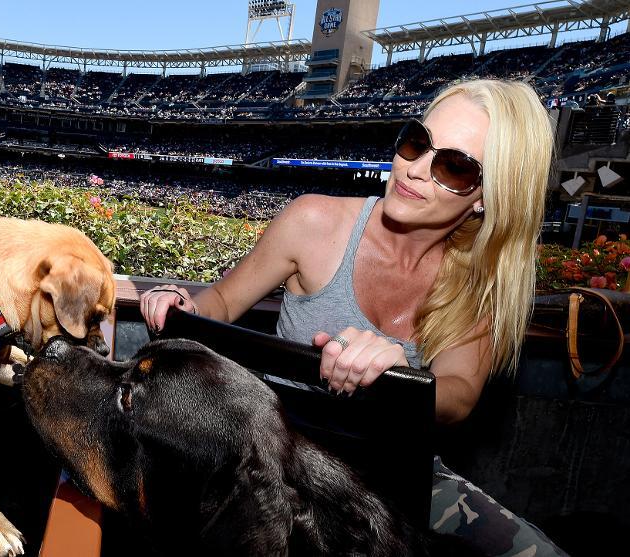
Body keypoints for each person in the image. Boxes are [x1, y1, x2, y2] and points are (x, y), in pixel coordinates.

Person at [141, 79, 568, 557]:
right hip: (277, 461)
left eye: (454, 165)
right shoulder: (313, 222)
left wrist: (398, 379)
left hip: (398, 476)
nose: (414, 170)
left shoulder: (480, 283)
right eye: (416, 141)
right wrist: (181, 302)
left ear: (486, 196)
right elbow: (221, 300)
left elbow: (460, 394)